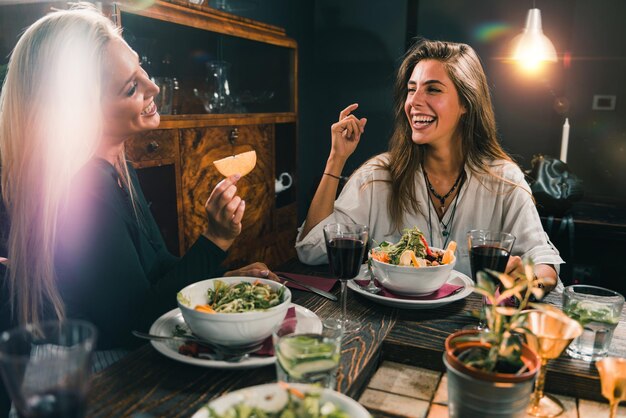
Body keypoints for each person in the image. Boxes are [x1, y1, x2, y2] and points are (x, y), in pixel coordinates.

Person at [0, 4, 276, 352]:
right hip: (100, 375)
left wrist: (219, 281)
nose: (153, 87)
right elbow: (138, 319)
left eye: (140, 66)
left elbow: (155, 271)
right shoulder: (83, 191)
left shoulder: (118, 170)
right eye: (130, 88)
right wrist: (215, 239)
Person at [296, 38, 563, 291]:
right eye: (412, 89)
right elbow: (311, 249)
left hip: (470, 329)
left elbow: (545, 268)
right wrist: (337, 158)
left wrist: (529, 282)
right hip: (387, 324)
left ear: (466, 103)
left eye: (433, 89)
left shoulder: (504, 180)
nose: (413, 102)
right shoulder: (376, 176)